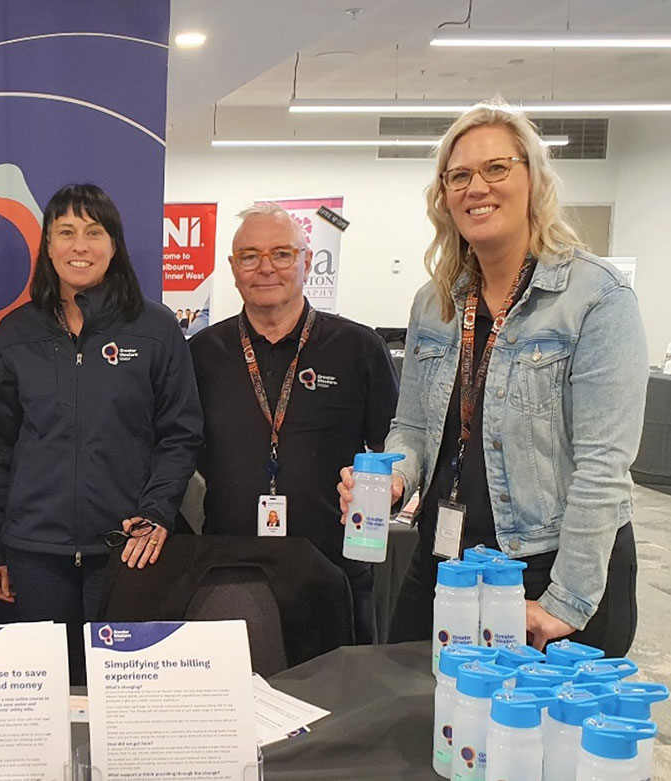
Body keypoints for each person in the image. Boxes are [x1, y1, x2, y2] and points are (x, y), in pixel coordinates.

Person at [339, 100, 647, 656]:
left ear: (534, 179)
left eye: (496, 168)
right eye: (459, 176)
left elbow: (604, 468)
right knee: (418, 723)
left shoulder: (595, 298)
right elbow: (409, 427)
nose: (476, 186)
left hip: (549, 565)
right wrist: (395, 481)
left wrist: (566, 600)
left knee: (526, 737)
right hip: (444, 558)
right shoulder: (434, 305)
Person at [0, 183, 202, 680]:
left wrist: (156, 512)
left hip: (127, 549)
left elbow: (180, 433)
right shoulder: (16, 334)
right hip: (36, 553)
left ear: (114, 245)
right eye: (66, 232)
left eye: (93, 232)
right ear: (48, 246)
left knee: (123, 697)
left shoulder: (156, 329)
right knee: (50, 696)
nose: (80, 246)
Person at [191, 203, 398, 643]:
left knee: (341, 704)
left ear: (306, 261)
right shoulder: (201, 353)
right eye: (250, 256)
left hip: (332, 572)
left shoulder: (359, 349)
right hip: (230, 574)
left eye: (281, 254)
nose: (266, 268)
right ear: (233, 268)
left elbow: (393, 449)